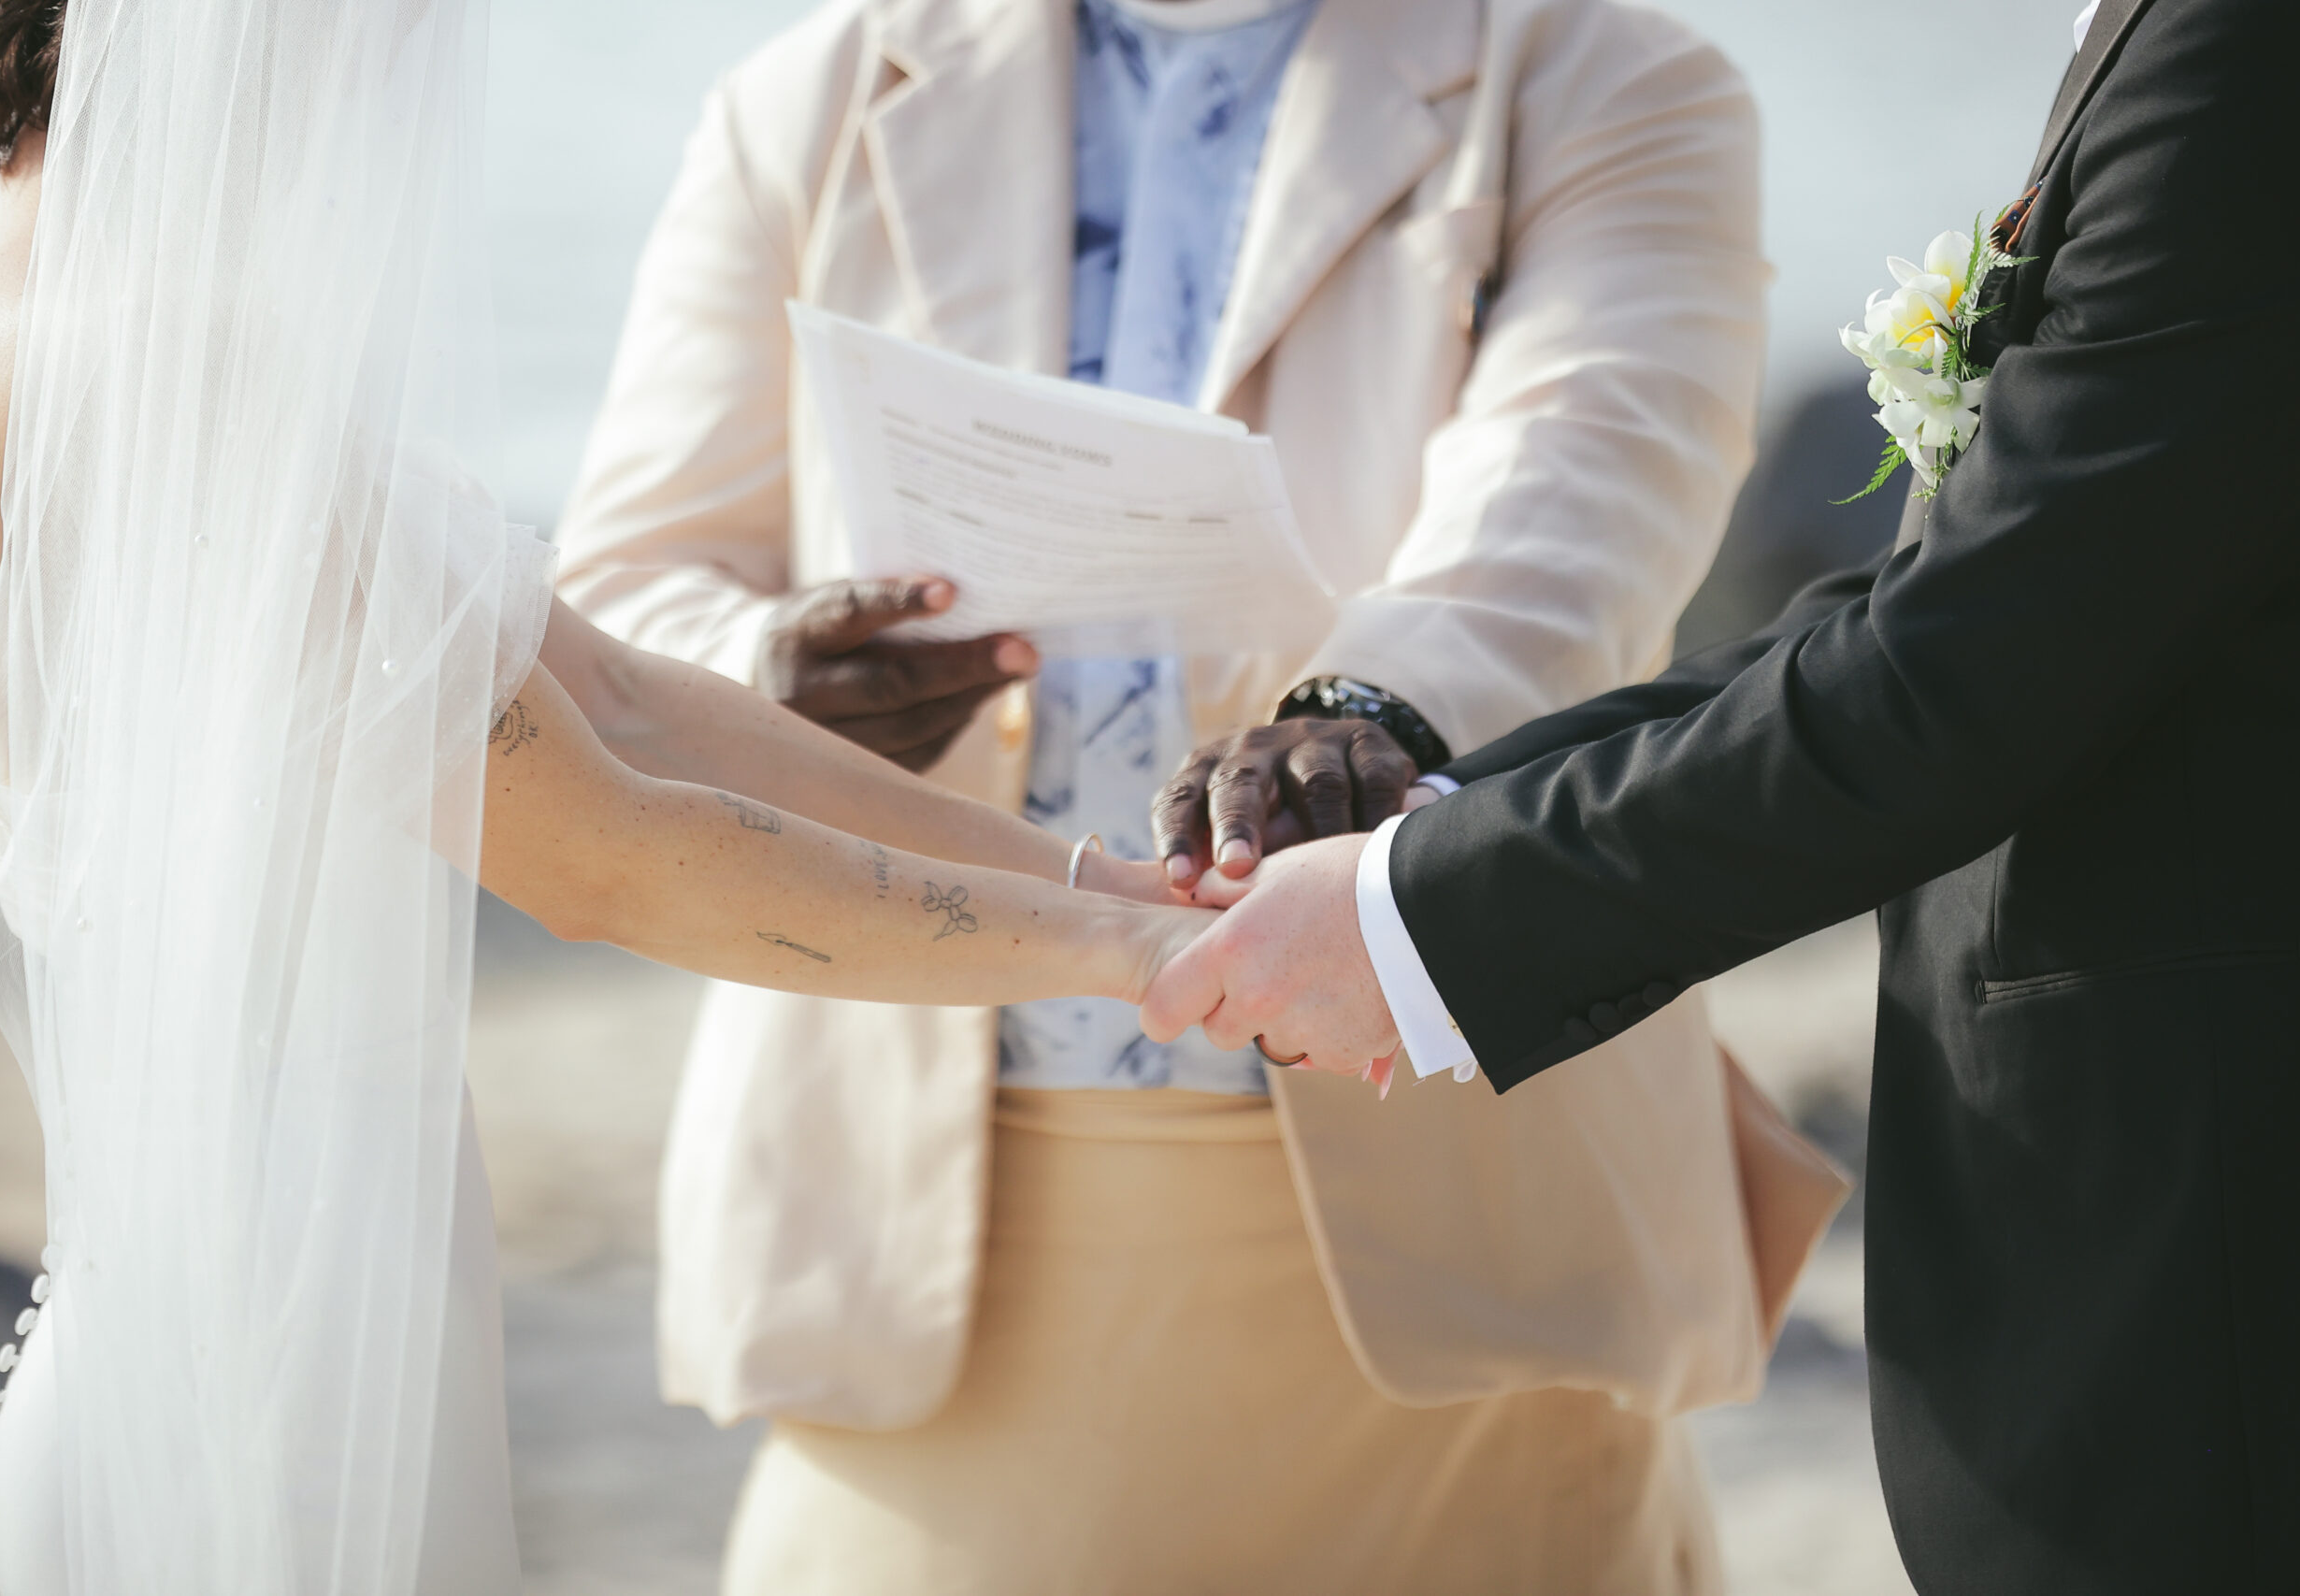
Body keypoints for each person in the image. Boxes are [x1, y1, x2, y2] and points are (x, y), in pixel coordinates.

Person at [556, 0, 1845, 1589]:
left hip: (1449, 1191)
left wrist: (1368, 705)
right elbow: (628, 579)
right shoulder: (805, 99)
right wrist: (772, 675)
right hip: (913, 1223)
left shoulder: (1595, 69)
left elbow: (1592, 469)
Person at [0, 1, 1210, 1589]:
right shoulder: (152, 366)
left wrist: (1106, 885)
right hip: (271, 1365)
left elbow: (617, 699)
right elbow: (603, 858)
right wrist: (1138, 964)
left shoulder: (45, 299)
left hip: (266, 1291)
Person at [1142, 2, 2300, 1593]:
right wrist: (1438, 816)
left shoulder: (2260, 43)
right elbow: (1946, 596)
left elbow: (1982, 659)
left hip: (2227, 1271)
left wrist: (1416, 920)